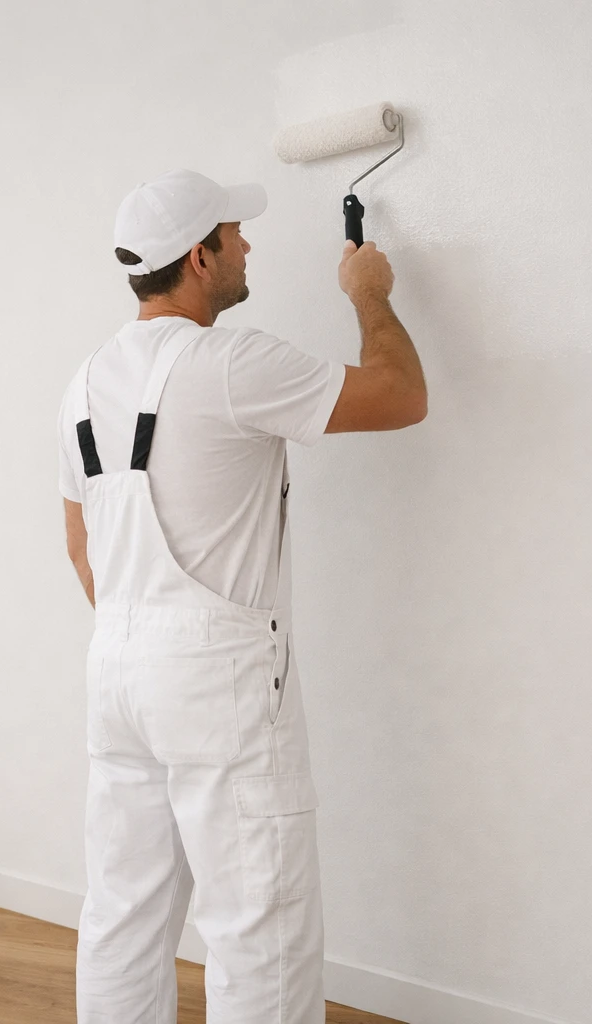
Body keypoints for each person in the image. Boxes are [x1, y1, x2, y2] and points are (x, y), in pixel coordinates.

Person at [58, 169, 426, 1024]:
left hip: (116, 667)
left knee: (122, 912)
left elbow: (81, 549)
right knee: (261, 921)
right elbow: (403, 396)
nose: (248, 244)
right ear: (199, 258)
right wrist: (369, 295)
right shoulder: (229, 362)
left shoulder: (82, 383)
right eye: (235, 234)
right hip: (214, 678)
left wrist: (146, 639)